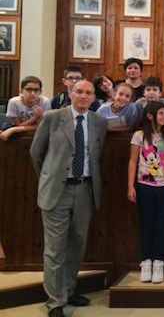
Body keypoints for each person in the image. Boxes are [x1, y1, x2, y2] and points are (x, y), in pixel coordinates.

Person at [30, 79, 107, 317]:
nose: (83, 96)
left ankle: (69, 288)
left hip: (85, 190)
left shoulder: (99, 122)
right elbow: (36, 153)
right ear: (71, 93)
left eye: (88, 93)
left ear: (93, 97)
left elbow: (96, 155)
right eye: (79, 92)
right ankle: (55, 301)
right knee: (55, 249)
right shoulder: (52, 118)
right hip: (56, 192)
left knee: (77, 245)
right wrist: (49, 178)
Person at [127, 101, 164, 283]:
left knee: (161, 222)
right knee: (147, 222)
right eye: (161, 113)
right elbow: (133, 161)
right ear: (150, 116)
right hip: (144, 184)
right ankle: (146, 261)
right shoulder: (139, 135)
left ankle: (159, 262)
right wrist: (130, 186)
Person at [1, 76, 51, 140]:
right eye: (29, 89)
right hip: (18, 134)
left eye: (36, 90)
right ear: (21, 91)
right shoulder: (14, 102)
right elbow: (18, 125)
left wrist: (13, 129)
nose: (33, 93)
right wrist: (35, 118)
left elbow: (41, 126)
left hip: (37, 134)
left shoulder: (45, 102)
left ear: (40, 92)